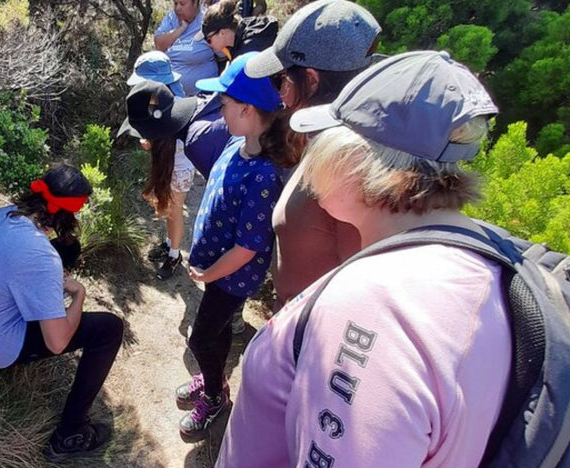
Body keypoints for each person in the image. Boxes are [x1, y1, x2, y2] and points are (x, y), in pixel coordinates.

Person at [215, 50, 508, 468]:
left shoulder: (376, 309)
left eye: (324, 139)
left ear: (354, 161)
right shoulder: (484, 258)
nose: (310, 155)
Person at [0, 165, 124, 461]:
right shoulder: (40, 256)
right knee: (109, 329)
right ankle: (69, 434)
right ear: (65, 213)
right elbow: (57, 343)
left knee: (67, 250)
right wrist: (78, 295)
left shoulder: (0, 215)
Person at [244, 0, 381, 310]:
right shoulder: (324, 139)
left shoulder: (347, 165)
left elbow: (356, 283)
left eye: (281, 80)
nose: (278, 94)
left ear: (312, 80)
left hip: (312, 334)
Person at [175, 52, 285, 437]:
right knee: (215, 329)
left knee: (201, 336)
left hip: (231, 276)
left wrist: (207, 271)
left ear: (248, 110)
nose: (219, 111)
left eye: (224, 104)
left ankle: (216, 396)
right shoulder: (234, 143)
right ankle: (213, 378)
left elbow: (248, 248)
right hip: (216, 269)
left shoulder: (265, 175)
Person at [118, 80, 231, 280]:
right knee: (170, 209)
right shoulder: (175, 114)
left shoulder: (196, 141)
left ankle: (174, 254)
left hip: (183, 170)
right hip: (176, 165)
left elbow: (217, 180)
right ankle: (170, 245)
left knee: (174, 209)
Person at [154, 0, 219, 96]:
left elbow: (224, 55)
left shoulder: (208, 20)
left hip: (202, 95)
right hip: (172, 94)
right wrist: (181, 29)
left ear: (195, 3)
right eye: (175, 3)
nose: (177, 8)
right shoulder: (171, 18)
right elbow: (159, 45)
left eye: (182, 4)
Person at [197, 0, 278, 64]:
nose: (207, 44)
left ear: (222, 33)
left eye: (208, 40)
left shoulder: (248, 51)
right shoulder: (238, 36)